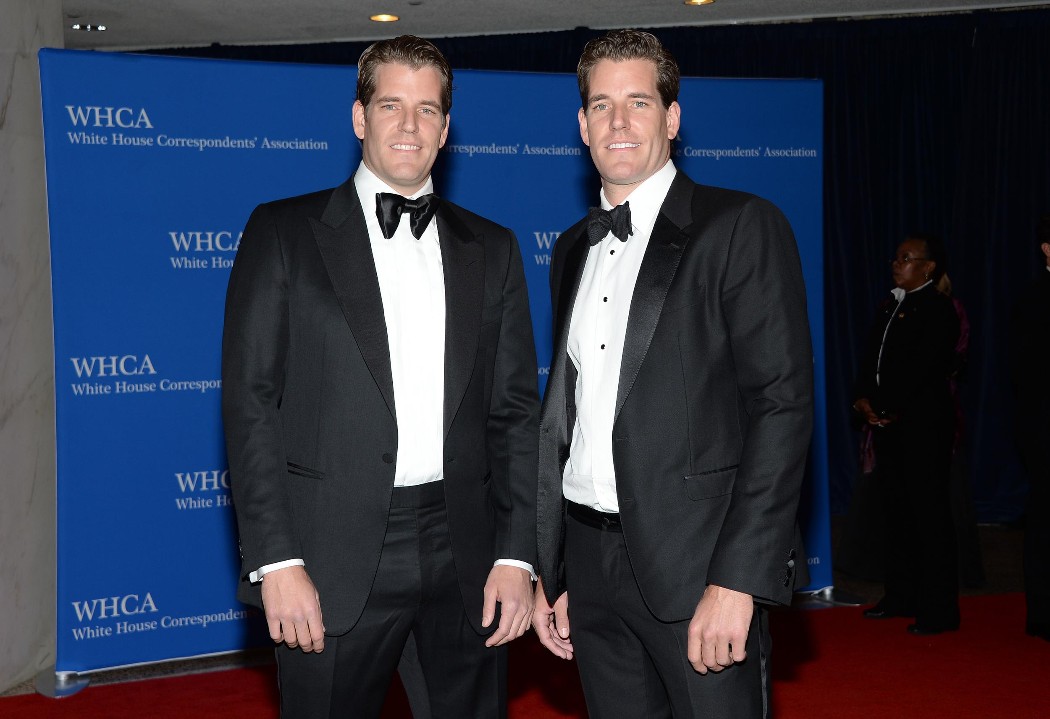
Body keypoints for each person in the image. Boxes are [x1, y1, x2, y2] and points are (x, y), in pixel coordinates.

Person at [221, 35, 540, 717]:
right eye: (391, 105)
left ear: (446, 129)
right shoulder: (282, 233)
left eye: (427, 110)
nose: (409, 125)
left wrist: (518, 557)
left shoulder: (494, 247)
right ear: (359, 117)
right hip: (327, 555)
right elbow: (251, 406)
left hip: (467, 554)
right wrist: (277, 562)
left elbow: (515, 413)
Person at [533, 29, 813, 718]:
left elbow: (781, 408)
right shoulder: (570, 250)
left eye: (638, 102)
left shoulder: (740, 225)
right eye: (602, 106)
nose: (619, 122)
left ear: (673, 117)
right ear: (582, 125)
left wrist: (738, 579)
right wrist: (557, 569)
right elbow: (573, 416)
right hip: (590, 569)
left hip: (700, 569)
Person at [854, 234, 961, 635]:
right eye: (896, 257)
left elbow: (924, 371)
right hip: (888, 427)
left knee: (928, 518)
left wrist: (888, 408)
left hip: (923, 429)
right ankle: (901, 596)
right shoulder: (890, 305)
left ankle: (939, 611)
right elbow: (872, 360)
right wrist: (862, 399)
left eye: (906, 258)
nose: (896, 264)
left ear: (928, 267)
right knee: (896, 514)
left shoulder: (939, 309)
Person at [1009, 215, 1050, 641]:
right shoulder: (1034, 300)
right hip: (1044, 428)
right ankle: (1042, 612)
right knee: (1045, 519)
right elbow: (1028, 373)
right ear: (1047, 249)